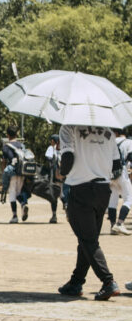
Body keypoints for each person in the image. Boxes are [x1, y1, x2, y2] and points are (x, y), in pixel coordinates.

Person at [56, 124, 122, 300]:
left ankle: (108, 281)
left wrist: (61, 173)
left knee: (88, 239)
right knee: (87, 239)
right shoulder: (108, 130)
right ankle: (76, 282)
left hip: (81, 188)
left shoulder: (68, 127)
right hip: (103, 190)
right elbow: (117, 163)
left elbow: (68, 157)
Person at [0, 126, 31, 224]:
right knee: (18, 192)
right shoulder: (22, 145)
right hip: (22, 171)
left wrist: (4, 172)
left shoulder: (6, 146)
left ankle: (14, 216)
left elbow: (4, 161)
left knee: (12, 194)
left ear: (7, 135)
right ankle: (23, 204)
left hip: (12, 171)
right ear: (16, 134)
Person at [106, 128, 132, 235]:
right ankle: (120, 223)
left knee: (112, 201)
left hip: (109, 174)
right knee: (129, 199)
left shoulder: (109, 142)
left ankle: (113, 226)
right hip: (122, 172)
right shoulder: (129, 142)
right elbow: (131, 156)